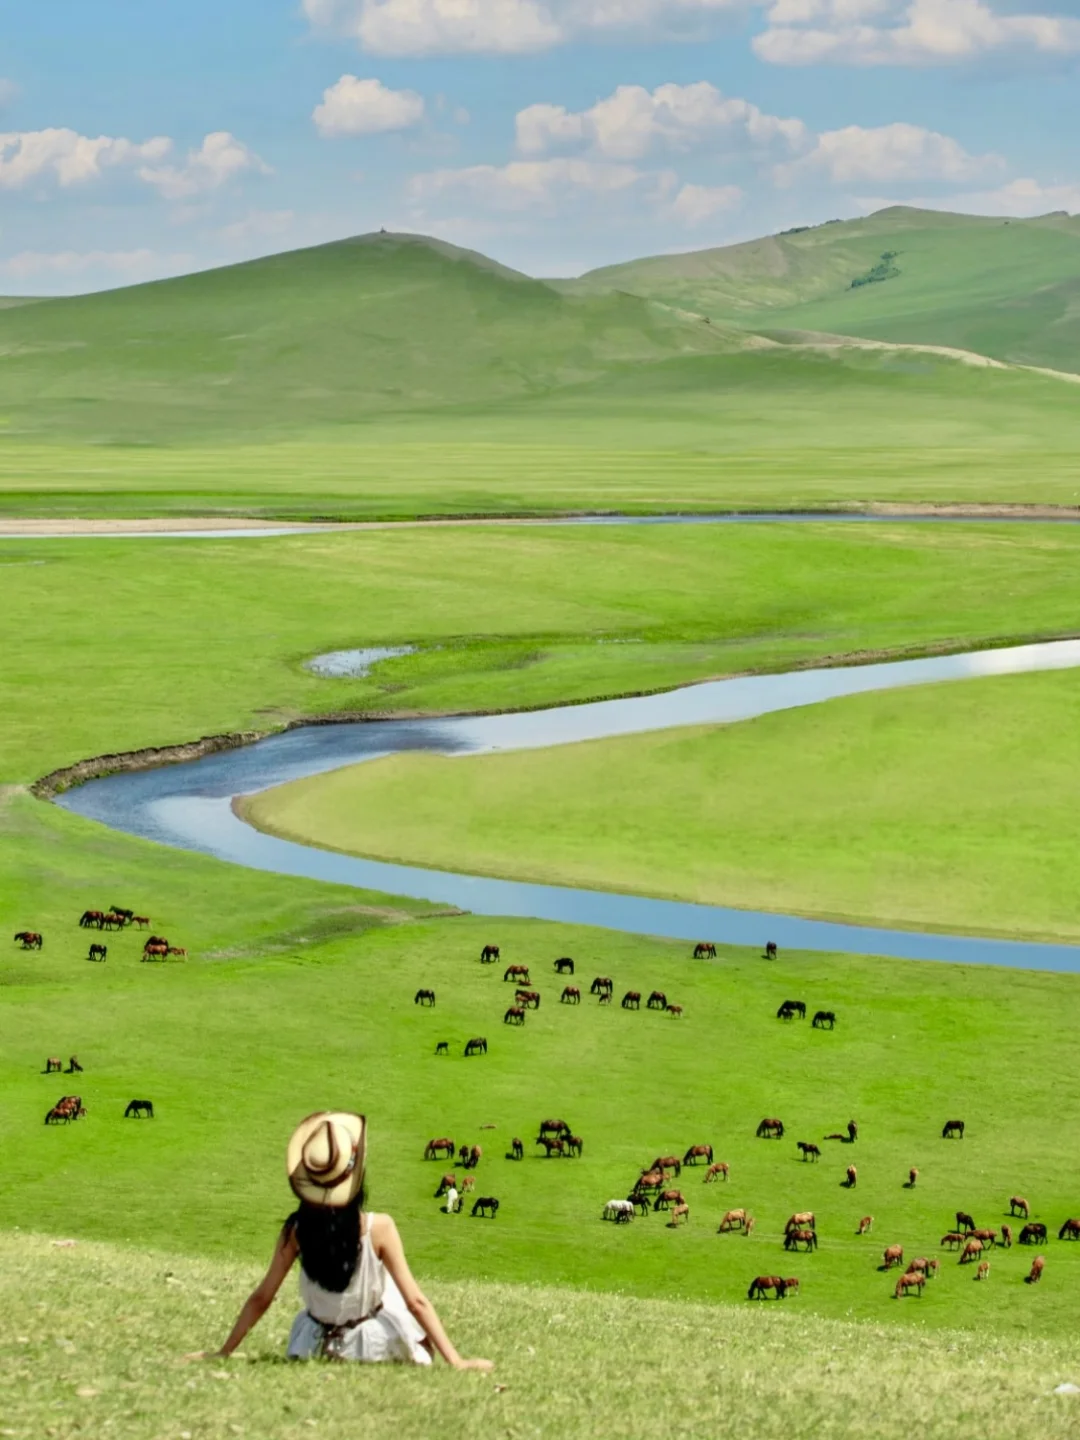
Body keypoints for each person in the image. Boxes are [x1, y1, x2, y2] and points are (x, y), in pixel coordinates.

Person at [192, 1111, 492, 1369]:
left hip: (310, 1343)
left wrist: (223, 1352)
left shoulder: (295, 1229)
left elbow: (262, 1297)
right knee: (397, 1302)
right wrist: (456, 1360)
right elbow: (416, 1301)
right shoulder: (379, 1227)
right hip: (369, 1344)